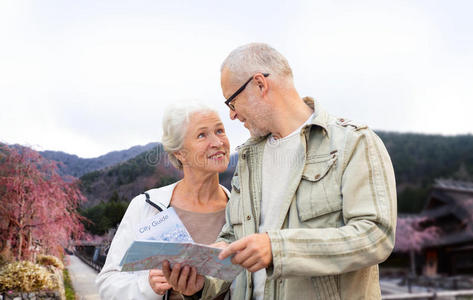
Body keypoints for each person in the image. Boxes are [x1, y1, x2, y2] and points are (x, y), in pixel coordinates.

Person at [162, 43, 397, 300]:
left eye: (232, 101)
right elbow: (232, 240)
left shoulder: (353, 142)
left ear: (260, 85)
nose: (231, 115)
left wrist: (278, 248)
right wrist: (200, 284)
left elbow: (376, 235)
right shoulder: (248, 159)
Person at [96, 101, 232, 300]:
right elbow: (107, 284)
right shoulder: (146, 206)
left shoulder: (240, 209)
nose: (218, 142)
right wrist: (149, 287)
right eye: (202, 135)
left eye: (220, 131)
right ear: (179, 153)